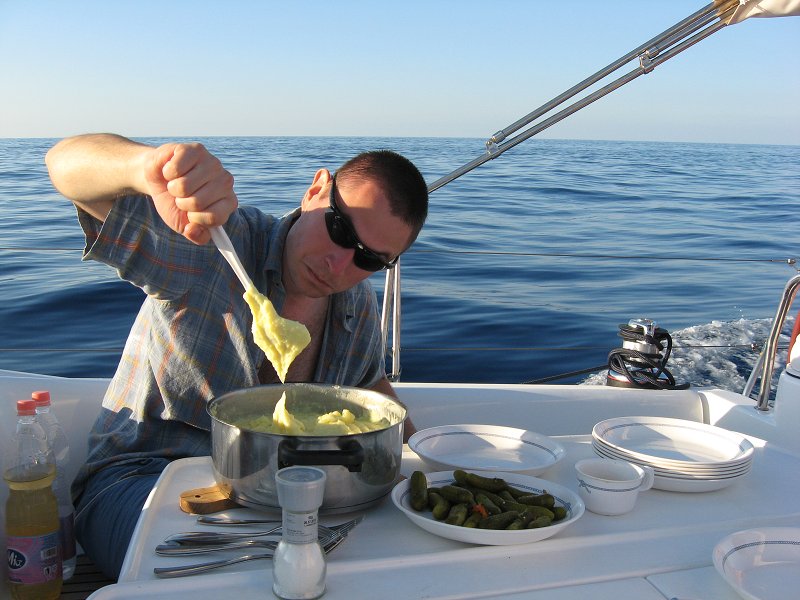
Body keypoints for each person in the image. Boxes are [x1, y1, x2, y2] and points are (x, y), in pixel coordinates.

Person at [45, 133, 428, 579]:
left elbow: (368, 387)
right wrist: (147, 168)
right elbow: (64, 166)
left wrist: (428, 470)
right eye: (340, 229)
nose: (340, 265)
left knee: (389, 562)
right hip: (147, 477)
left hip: (271, 492)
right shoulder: (210, 245)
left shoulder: (355, 303)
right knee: (240, 578)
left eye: (370, 259)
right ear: (316, 190)